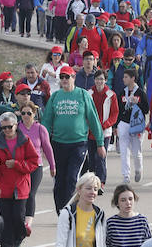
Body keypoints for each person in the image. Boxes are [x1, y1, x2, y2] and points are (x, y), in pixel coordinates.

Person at [41, 66, 105, 214]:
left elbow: (94, 119)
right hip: (58, 144)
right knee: (59, 181)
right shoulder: (55, 97)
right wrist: (43, 145)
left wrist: (100, 144)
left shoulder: (82, 95)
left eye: (67, 77)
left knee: (71, 178)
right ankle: (61, 212)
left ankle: (71, 210)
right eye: (61, 77)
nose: (64, 80)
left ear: (73, 78)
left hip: (78, 144)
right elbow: (46, 122)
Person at [0, 111, 39, 247]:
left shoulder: (25, 140)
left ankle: (17, 243)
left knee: (18, 217)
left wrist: (16, 164)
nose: (7, 130)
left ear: (16, 125)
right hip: (3, 186)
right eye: (4, 128)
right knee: (5, 219)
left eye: (9, 127)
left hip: (20, 187)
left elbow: (34, 162)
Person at [18, 101, 55, 233]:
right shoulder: (17, 129)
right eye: (23, 113)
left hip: (36, 166)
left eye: (29, 113)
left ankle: (28, 222)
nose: (26, 115)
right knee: (21, 194)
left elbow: (47, 148)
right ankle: (20, 219)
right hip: (21, 167)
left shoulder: (40, 128)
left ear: (34, 114)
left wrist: (52, 166)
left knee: (31, 193)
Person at [116, 69, 149, 185]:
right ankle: (126, 175)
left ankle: (138, 169)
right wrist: (116, 125)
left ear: (133, 78)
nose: (123, 79)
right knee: (124, 150)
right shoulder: (122, 93)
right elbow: (118, 110)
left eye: (126, 77)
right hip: (124, 123)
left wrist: (137, 103)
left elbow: (146, 110)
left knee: (136, 151)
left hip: (137, 124)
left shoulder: (140, 93)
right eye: (123, 77)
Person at [87, 70, 118, 192]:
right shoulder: (89, 93)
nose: (99, 81)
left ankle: (101, 182)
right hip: (90, 131)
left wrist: (105, 125)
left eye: (101, 79)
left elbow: (114, 114)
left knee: (100, 156)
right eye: (97, 79)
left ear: (105, 80)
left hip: (105, 132)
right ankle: (92, 181)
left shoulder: (111, 95)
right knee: (91, 158)